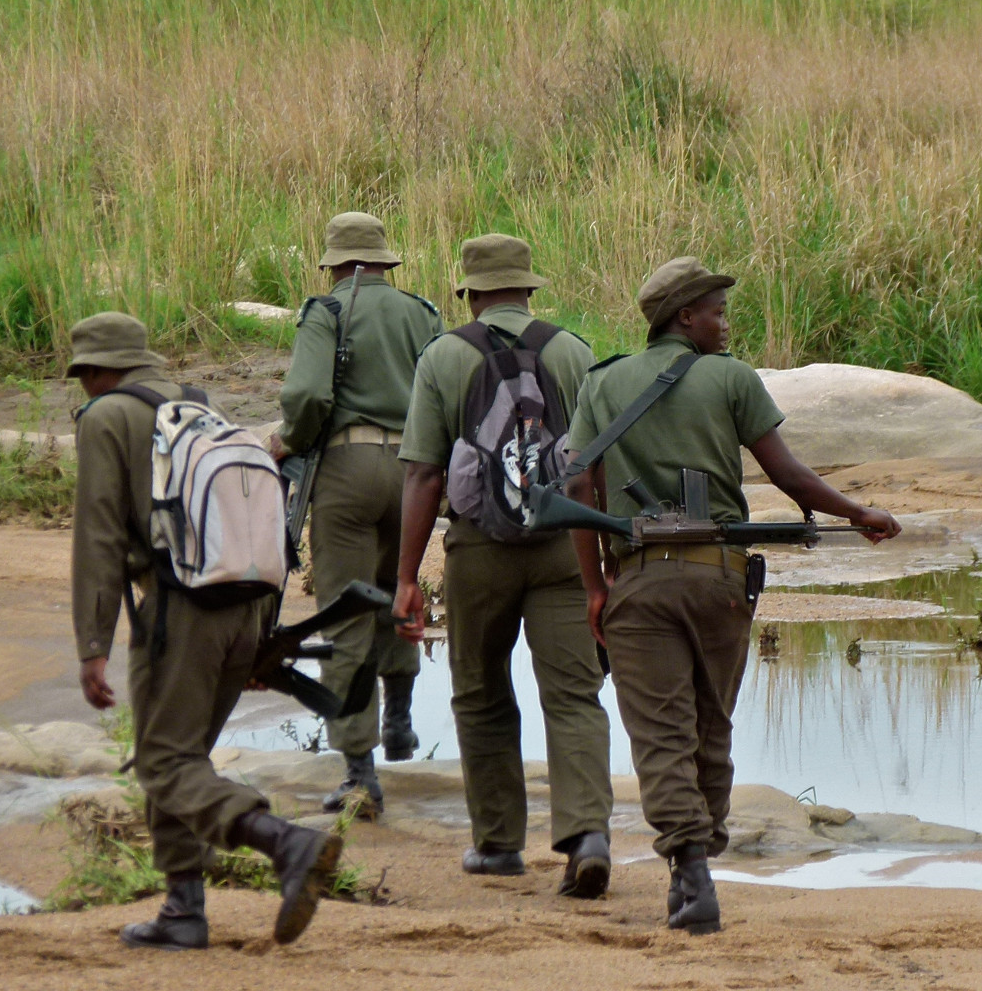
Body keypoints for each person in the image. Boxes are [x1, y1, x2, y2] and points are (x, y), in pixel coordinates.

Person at [564, 259, 901, 935]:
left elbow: (579, 491)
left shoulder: (603, 383)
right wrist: (855, 513)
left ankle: (689, 869)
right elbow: (790, 475)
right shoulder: (731, 379)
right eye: (717, 310)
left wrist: (596, 588)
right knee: (711, 727)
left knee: (660, 735)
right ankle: (699, 849)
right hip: (720, 580)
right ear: (684, 316)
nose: (726, 322)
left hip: (637, 582)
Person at [68, 311, 342, 949]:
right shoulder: (196, 406)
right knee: (181, 756)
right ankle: (183, 910)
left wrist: (92, 646)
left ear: (96, 370)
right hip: (244, 606)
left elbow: (99, 536)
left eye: (82, 375)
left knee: (164, 762)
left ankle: (286, 843)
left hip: (179, 611)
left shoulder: (108, 417)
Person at [390, 234, 615, 895]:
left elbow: (424, 474)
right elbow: (595, 464)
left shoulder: (444, 356)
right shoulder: (573, 351)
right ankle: (588, 835)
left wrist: (407, 579)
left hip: (479, 549)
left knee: (481, 692)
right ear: (529, 287)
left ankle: (497, 845)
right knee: (573, 692)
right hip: (563, 545)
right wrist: (606, 561)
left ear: (469, 291)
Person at [274, 212, 441, 817]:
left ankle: (358, 770)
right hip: (415, 473)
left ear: (336, 264)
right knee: (399, 589)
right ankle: (399, 720)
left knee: (346, 612)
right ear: (384, 262)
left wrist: (289, 439)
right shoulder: (422, 313)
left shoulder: (327, 311)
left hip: (344, 471)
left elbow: (308, 395)